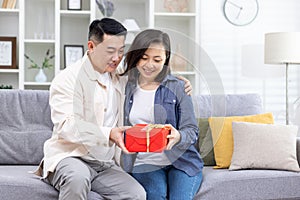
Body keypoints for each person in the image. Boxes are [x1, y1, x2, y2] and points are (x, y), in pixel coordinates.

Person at [34, 18, 192, 200]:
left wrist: (175, 81)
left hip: (105, 163)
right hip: (71, 156)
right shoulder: (68, 79)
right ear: (91, 46)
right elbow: (67, 126)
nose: (117, 57)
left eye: (121, 51)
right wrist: (109, 133)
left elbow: (148, 74)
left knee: (137, 194)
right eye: (110, 51)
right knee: (77, 179)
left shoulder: (120, 76)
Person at [121, 29, 203, 200]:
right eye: (144, 57)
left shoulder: (178, 87)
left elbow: (192, 130)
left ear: (166, 59)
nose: (149, 64)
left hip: (182, 162)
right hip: (144, 163)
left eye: (157, 59)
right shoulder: (125, 86)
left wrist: (179, 135)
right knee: (155, 195)